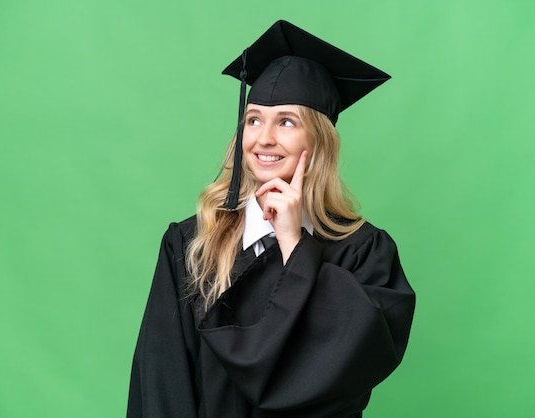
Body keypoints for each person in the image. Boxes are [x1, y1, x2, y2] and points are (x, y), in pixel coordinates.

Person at [127, 20, 415, 418]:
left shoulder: (363, 251)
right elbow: (162, 380)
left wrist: (295, 244)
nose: (264, 138)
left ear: (318, 141)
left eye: (286, 122)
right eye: (254, 119)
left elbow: (349, 367)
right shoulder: (192, 243)